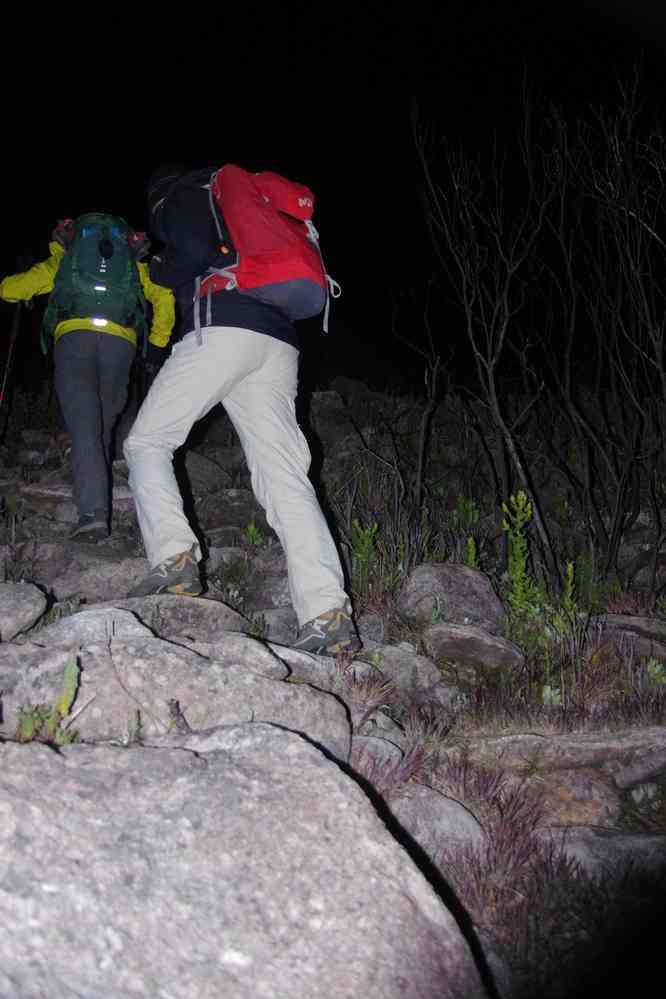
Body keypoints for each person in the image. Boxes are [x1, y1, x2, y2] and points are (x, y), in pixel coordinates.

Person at [124, 163, 362, 656]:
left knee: (146, 441)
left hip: (224, 326)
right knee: (283, 475)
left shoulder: (182, 193)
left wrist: (155, 269)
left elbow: (192, 252)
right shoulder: (246, 200)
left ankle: (173, 559)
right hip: (277, 340)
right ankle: (326, 612)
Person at [0, 214, 175, 541]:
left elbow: (11, 289)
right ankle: (108, 492)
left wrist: (39, 272)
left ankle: (93, 513)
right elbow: (163, 297)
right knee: (102, 426)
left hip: (75, 339)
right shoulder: (131, 262)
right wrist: (157, 342)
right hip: (120, 343)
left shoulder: (66, 261)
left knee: (83, 425)